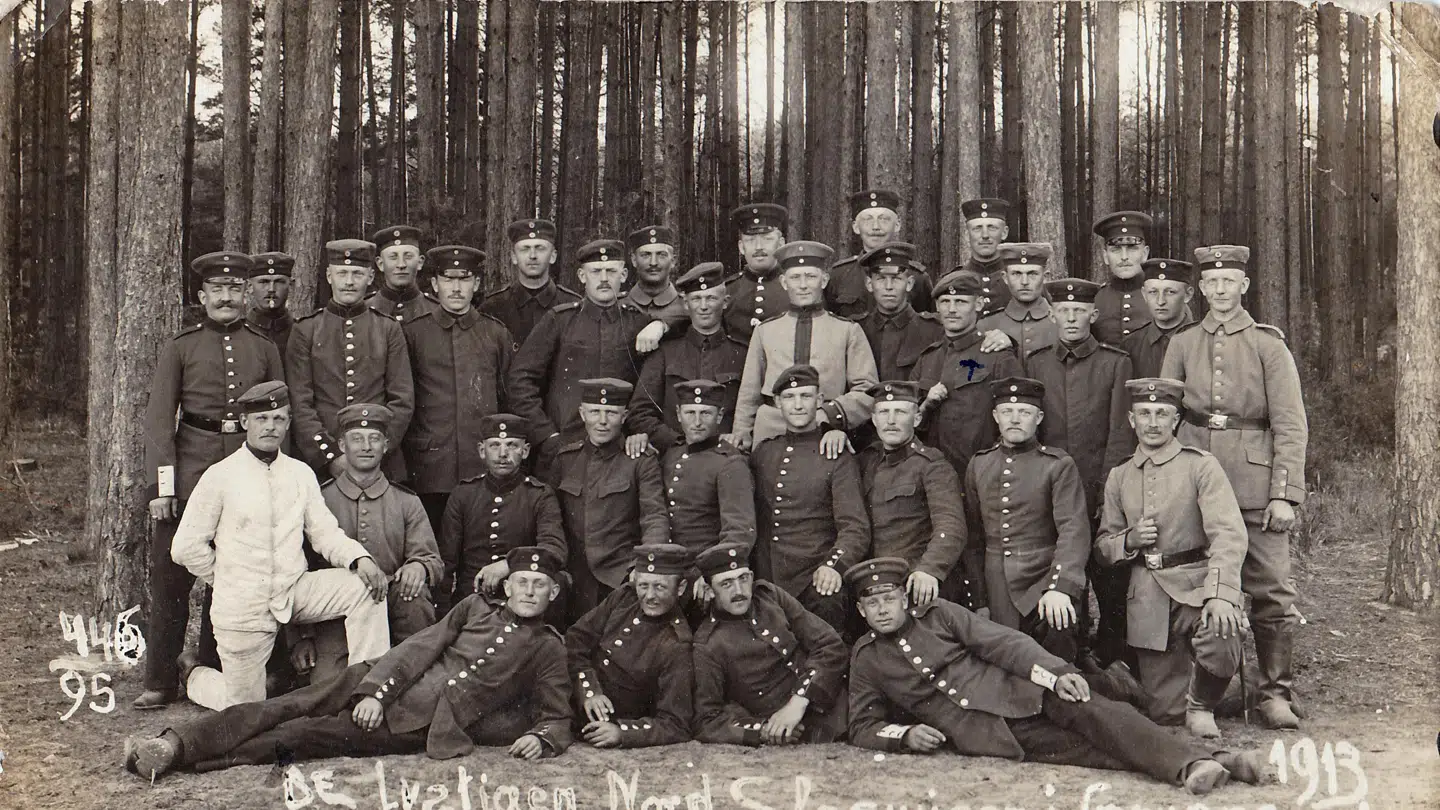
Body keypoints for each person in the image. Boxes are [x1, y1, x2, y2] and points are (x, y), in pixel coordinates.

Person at [123, 546, 574, 779]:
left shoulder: (548, 647)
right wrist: (375, 692)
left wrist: (542, 738)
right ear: (508, 585)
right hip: (375, 679)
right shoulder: (474, 608)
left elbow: (557, 715)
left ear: (553, 592)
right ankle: (175, 744)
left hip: (414, 725)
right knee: (288, 705)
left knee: (303, 735)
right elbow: (418, 649)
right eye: (522, 581)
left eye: (539, 585)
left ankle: (187, 761)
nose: (529, 592)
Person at [844, 557, 1264, 796]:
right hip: (989, 731)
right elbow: (862, 725)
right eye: (872, 604)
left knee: (1102, 715)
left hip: (1026, 691)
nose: (882, 609)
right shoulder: (866, 659)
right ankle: (1214, 762)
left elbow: (1004, 643)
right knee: (1091, 750)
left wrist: (1057, 673)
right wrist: (904, 735)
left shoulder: (938, 615)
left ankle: (1191, 765)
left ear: (905, 598)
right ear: (861, 612)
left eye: (889, 599)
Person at [169, 382, 392, 711]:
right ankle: (195, 677)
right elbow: (185, 548)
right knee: (243, 708)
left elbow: (324, 533)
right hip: (242, 607)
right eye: (261, 419)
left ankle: (365, 693)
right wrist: (230, 579)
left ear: (288, 423)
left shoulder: (300, 473)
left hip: (294, 590)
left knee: (363, 587)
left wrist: (360, 559)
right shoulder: (220, 476)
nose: (270, 427)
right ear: (245, 423)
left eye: (278, 419)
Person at [1162, 244, 1309, 730]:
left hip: (1254, 484)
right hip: (1198, 481)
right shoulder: (1182, 343)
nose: (1220, 290)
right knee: (1196, 584)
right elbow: (1165, 414)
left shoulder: (1268, 345)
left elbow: (1290, 424)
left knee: (1272, 591)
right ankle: (1202, 692)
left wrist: (1284, 494)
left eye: (1229, 282)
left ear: (1243, 286)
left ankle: (1274, 694)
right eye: (1212, 283)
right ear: (1200, 289)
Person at [137, 251, 285, 710]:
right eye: (216, 290)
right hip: (192, 468)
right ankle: (161, 677)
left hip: (247, 463)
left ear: (246, 295)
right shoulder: (181, 347)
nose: (226, 297)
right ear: (201, 297)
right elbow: (161, 420)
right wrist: (163, 488)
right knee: (172, 575)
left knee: (238, 573)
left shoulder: (263, 346)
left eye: (234, 290)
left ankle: (210, 667)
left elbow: (280, 415)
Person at [1095, 378, 1248, 737]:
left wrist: (1221, 594)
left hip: (1195, 586)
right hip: (1147, 597)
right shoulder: (1119, 476)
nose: (1152, 423)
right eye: (1144, 414)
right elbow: (1102, 548)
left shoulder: (1200, 466)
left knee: (1222, 629)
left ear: (1176, 420)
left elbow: (1228, 533)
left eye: (1162, 414)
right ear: (1132, 421)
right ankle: (1245, 690)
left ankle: (1203, 705)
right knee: (1165, 713)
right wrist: (1128, 540)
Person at [1025, 277, 1135, 669]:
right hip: (1050, 492)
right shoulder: (1036, 363)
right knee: (1060, 574)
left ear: (1093, 313)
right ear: (1052, 314)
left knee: (1109, 578)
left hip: (1099, 490)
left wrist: (1106, 495)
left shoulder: (1115, 363)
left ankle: (1114, 658)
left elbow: (1120, 434)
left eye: (1079, 311)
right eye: (1064, 311)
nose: (1071, 318)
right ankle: (1070, 655)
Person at [296, 403, 443, 685]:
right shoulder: (320, 501)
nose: (366, 446)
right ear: (341, 445)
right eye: (357, 439)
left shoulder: (406, 501)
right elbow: (298, 572)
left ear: (386, 445)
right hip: (336, 615)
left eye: (374, 438)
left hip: (397, 610)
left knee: (409, 684)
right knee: (329, 691)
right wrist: (302, 638)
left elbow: (432, 558)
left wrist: (419, 566)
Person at [964, 378, 1089, 662]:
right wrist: (980, 601)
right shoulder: (979, 464)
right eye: (1007, 412)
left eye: (1025, 412)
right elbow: (973, 539)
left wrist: (1059, 587)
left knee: (1057, 657)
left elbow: (1073, 531)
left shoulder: (1057, 465)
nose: (1015, 419)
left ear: (1039, 418)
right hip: (996, 584)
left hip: (1043, 580)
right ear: (996, 417)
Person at [508, 239, 653, 477]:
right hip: (564, 448)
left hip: (623, 450)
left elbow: (651, 387)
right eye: (596, 272)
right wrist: (546, 434)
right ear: (582, 276)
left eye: (611, 271)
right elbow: (521, 380)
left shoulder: (638, 322)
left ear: (624, 274)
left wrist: (661, 325)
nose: (604, 279)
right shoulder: (560, 320)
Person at [749, 364, 871, 634]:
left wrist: (833, 567)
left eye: (806, 397)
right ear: (778, 403)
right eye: (790, 398)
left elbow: (855, 527)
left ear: (819, 401)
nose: (798, 405)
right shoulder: (764, 452)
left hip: (816, 578)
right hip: (769, 579)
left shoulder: (836, 452)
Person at [402, 244, 514, 533]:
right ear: (435, 284)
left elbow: (507, 397)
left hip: (481, 465)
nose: (456, 288)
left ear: (475, 284)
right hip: (429, 465)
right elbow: (405, 396)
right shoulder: (414, 333)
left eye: (463, 279)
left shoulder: (495, 333)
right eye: (448, 280)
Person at [692, 543, 849, 745]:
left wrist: (799, 701)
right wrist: (764, 729)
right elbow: (706, 720)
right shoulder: (708, 644)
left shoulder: (769, 597)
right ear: (709, 590)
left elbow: (829, 643)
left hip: (833, 701)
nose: (739, 591)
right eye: (726, 584)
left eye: (743, 579)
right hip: (793, 731)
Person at [730, 241, 879, 449]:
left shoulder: (847, 330)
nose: (803, 285)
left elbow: (867, 391)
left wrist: (829, 413)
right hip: (773, 427)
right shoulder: (765, 331)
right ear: (783, 282)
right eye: (795, 277)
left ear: (824, 280)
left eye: (810, 277)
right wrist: (742, 431)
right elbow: (749, 390)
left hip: (825, 428)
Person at [287, 239, 414, 481]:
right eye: (342, 273)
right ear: (328, 275)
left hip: (380, 463)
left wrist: (374, 452)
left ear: (369, 277)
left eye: (357, 274)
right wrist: (330, 456)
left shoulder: (388, 329)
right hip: (321, 465)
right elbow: (300, 403)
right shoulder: (306, 330)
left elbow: (402, 400)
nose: (348, 282)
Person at [552, 379, 670, 623]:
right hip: (574, 578)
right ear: (582, 413)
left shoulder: (639, 459)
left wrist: (648, 567)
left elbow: (654, 516)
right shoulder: (565, 459)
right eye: (595, 411)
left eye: (611, 413)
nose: (602, 421)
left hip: (621, 575)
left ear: (624, 416)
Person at [565, 544, 695, 748]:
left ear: (680, 588)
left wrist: (622, 733)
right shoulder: (624, 598)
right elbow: (575, 639)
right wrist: (590, 691)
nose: (650, 596)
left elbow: (676, 724)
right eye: (643, 586)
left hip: (601, 723)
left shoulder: (677, 645)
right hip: (570, 695)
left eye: (660, 587)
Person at [859, 381, 967, 608]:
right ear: (874, 419)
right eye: (884, 412)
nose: (891, 421)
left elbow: (951, 526)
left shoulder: (931, 465)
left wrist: (930, 569)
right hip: (873, 586)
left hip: (915, 583)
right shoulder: (865, 461)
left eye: (900, 412)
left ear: (917, 419)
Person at [440, 414, 566, 610]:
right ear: (482, 451)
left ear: (525, 452)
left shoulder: (540, 495)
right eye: (494, 445)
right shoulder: (463, 494)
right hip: (470, 599)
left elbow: (554, 549)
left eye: (512, 445)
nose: (503, 454)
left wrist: (510, 564)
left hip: (521, 601)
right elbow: (447, 561)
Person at [909, 270, 1023, 477]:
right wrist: (927, 405)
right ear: (936, 307)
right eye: (945, 302)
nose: (952, 309)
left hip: (982, 473)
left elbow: (1016, 418)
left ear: (978, 305)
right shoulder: (927, 358)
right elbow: (910, 420)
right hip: (932, 475)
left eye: (961, 301)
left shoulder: (996, 355)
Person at [626, 262, 748, 451]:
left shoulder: (742, 353)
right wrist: (676, 442)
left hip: (726, 455)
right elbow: (640, 412)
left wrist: (735, 438)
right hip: (672, 454)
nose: (704, 306)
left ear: (725, 302)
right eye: (696, 299)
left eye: (711, 298)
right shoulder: (665, 352)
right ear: (685, 303)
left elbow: (751, 408)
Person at [658, 380, 756, 571]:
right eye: (690, 413)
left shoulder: (730, 462)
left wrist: (713, 572)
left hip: (704, 570)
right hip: (668, 567)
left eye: (705, 413)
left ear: (719, 416)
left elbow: (739, 532)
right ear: (678, 414)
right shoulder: (672, 454)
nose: (697, 422)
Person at [825, 189, 934, 319]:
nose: (876, 226)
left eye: (884, 219)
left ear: (897, 224)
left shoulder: (916, 276)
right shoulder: (839, 275)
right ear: (855, 227)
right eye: (867, 220)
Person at [481, 218, 581, 351]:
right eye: (525, 249)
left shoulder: (573, 306)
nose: (532, 255)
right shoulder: (493, 308)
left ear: (553, 256)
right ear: (514, 257)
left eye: (540, 248)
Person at [855, 243, 945, 383]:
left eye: (896, 278)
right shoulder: (857, 329)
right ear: (869, 284)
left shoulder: (934, 330)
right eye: (881, 278)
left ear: (909, 284)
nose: (889, 287)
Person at [723, 203, 792, 342]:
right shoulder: (728, 290)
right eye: (750, 240)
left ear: (781, 244)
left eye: (767, 239)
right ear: (741, 247)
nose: (758, 247)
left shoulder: (796, 287)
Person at [977, 242, 1058, 358]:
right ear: (1005, 278)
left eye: (1032, 274)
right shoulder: (987, 325)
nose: (1024, 282)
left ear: (1045, 277)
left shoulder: (1062, 322)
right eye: (1016, 274)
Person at [1122, 258, 1197, 378]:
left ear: (1188, 295)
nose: (1160, 301)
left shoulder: (1202, 341)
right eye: (1153, 292)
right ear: (1144, 294)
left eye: (1170, 292)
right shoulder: (1131, 345)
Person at [1092, 211, 1155, 344]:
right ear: (1105, 256)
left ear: (1145, 254)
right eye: (1116, 249)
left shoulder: (1161, 298)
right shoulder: (1094, 300)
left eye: (1132, 248)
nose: (1124, 256)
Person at [620, 225, 689, 333]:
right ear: (634, 260)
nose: (653, 263)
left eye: (661, 255)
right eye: (645, 255)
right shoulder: (617, 307)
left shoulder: (690, 308)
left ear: (673, 261)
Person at [367, 224, 439, 323]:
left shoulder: (437, 311)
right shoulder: (364, 311)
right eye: (393, 257)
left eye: (408, 256)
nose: (401, 264)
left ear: (420, 262)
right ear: (380, 264)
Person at [958, 198, 1015, 317]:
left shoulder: (1018, 280)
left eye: (992, 228)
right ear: (967, 233)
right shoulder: (956, 280)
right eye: (977, 228)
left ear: (1004, 233)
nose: (985, 235)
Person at [245, 251, 296, 363]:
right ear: (249, 287)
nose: (271, 289)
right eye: (264, 282)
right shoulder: (240, 333)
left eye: (279, 282)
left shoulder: (301, 332)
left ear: (291, 286)